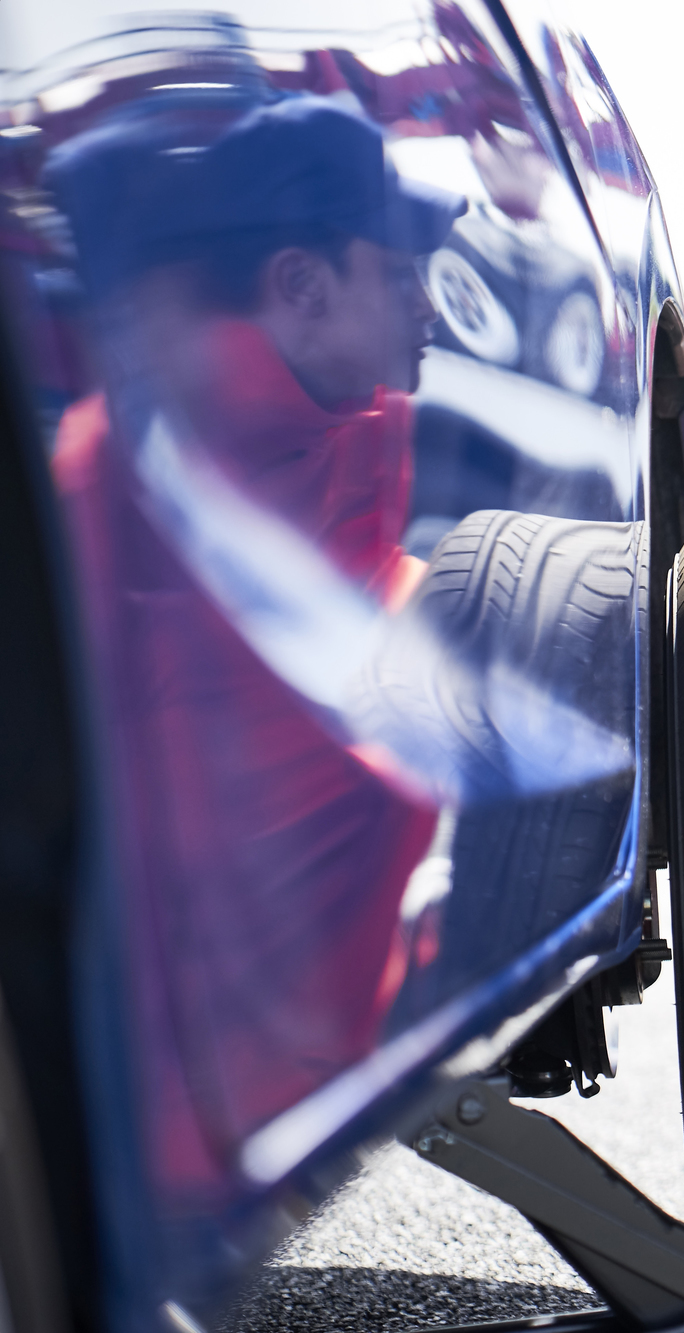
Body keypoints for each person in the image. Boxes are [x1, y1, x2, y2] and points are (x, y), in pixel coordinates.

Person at [44, 94, 462, 1196]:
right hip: (177, 1158)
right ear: (301, 284)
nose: (432, 307)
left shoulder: (349, 411)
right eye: (402, 272)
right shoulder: (136, 483)